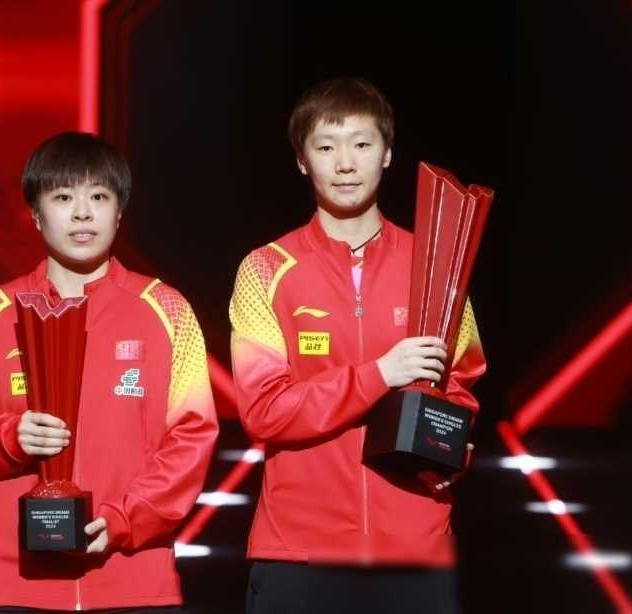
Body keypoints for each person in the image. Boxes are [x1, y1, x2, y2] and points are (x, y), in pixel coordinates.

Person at [0, 131, 218, 612]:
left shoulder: (166, 309)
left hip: (134, 581)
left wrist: (124, 519)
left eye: (99, 197)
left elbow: (192, 435)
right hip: (11, 584)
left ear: (119, 212)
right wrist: (8, 437)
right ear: (36, 214)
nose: (82, 213)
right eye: (63, 198)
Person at [229, 77, 487, 613]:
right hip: (299, 553)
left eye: (362, 144)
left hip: (415, 549)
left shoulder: (437, 266)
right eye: (326, 147)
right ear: (302, 161)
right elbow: (263, 411)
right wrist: (379, 374)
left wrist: (450, 452)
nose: (345, 163)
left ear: (387, 153)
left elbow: (462, 389)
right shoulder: (265, 270)